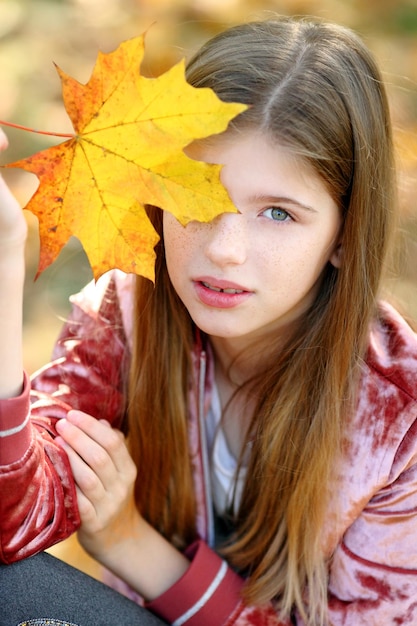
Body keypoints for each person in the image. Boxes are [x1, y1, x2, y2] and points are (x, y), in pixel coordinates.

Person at [1, 14, 417, 626]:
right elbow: (13, 520)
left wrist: (130, 544)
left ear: (343, 236)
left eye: (277, 213)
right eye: (198, 192)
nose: (224, 248)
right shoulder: (127, 314)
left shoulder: (399, 424)